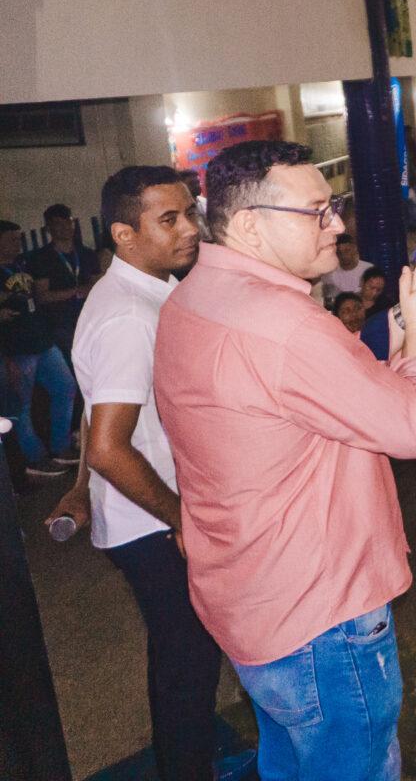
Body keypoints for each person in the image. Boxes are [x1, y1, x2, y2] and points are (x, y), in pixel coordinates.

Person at [154, 140, 416, 780]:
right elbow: (411, 428)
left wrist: (400, 322)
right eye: (317, 211)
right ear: (251, 223)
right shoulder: (284, 322)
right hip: (320, 617)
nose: (338, 223)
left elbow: (320, 393)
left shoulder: (191, 299)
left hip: (251, 601)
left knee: (291, 765)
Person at [42, 167, 253, 781]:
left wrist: (82, 487)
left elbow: (98, 412)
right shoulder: (129, 315)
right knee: (187, 665)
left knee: (184, 660)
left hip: (148, 517)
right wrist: (182, 518)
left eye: (190, 212)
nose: (190, 228)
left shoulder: (145, 294)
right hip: (153, 527)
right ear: (124, 234)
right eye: (170, 219)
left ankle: (192, 763)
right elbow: (110, 446)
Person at [0, 220, 78, 477]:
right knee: (21, 406)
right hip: (16, 348)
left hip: (41, 340)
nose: (18, 242)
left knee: (65, 388)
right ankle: (36, 459)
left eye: (18, 238)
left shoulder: (23, 263)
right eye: (11, 239)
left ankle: (61, 446)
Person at [29, 202, 101, 358]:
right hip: (60, 324)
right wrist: (77, 291)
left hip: (89, 319)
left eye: (68, 222)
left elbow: (97, 285)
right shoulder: (40, 258)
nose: (65, 227)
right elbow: (43, 296)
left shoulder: (87, 253)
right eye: (58, 224)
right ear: (48, 229)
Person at [320, 232, 372, 304]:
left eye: (347, 250)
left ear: (355, 249)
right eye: (339, 252)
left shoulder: (369, 269)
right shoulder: (329, 274)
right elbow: (329, 302)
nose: (343, 255)